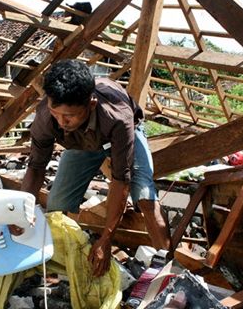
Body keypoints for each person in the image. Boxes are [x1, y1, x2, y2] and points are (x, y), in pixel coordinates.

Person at [21, 59, 170, 277]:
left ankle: (169, 272)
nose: (62, 121)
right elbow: (35, 167)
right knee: (56, 204)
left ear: (90, 105)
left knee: (146, 197)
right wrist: (19, 213)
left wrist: (106, 239)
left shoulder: (118, 117)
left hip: (118, 137)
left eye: (69, 115)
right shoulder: (46, 116)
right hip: (80, 144)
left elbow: (121, 179)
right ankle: (66, 265)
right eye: (56, 112)